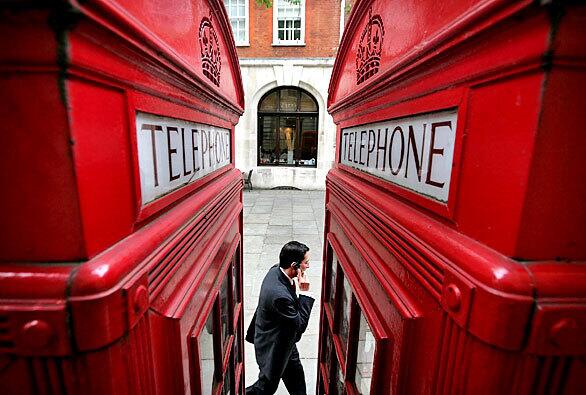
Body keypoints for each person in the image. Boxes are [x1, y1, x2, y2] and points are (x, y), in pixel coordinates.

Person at [245, 241, 314, 395]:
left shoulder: (275, 270)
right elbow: (299, 325)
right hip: (274, 348)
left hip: (286, 341)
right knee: (264, 388)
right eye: (306, 263)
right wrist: (305, 293)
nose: (308, 266)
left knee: (297, 383)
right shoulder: (279, 296)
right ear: (294, 265)